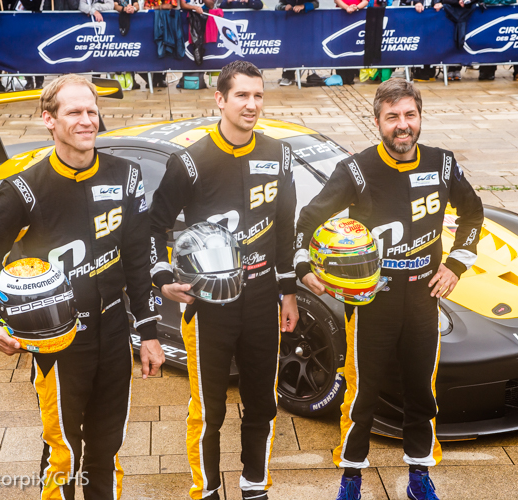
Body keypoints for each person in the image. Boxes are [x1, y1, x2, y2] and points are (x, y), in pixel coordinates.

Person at [0, 74, 165, 500]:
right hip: (56, 343)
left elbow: (137, 259)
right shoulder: (24, 188)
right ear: (48, 120)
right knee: (63, 453)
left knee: (107, 450)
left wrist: (148, 333)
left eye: (91, 111)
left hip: (113, 335)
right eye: (74, 111)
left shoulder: (126, 176)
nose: (87, 120)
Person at [294, 78, 484, 500]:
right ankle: (351, 476)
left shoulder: (443, 163)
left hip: (423, 298)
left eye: (410, 116)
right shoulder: (357, 170)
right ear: (377, 121)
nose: (403, 125)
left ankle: (419, 472)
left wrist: (456, 264)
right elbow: (307, 221)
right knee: (362, 393)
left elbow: (473, 213)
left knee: (421, 389)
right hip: (369, 301)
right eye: (393, 117)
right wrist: (305, 267)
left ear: (420, 118)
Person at [149, 60, 299, 500]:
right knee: (208, 410)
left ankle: (255, 485)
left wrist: (287, 292)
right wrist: (162, 279)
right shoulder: (190, 163)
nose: (252, 105)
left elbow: (285, 229)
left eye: (258, 95)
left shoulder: (280, 154)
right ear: (220, 99)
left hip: (260, 303)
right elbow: (154, 226)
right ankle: (208, 489)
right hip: (208, 306)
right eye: (242, 95)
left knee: (263, 402)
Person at [277, 0, 319, 85]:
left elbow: (316, 4)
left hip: (306, 23)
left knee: (303, 49)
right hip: (290, 23)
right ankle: (288, 76)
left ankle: (307, 74)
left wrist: (303, 6)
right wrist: (284, 7)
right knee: (289, 49)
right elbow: (278, 5)